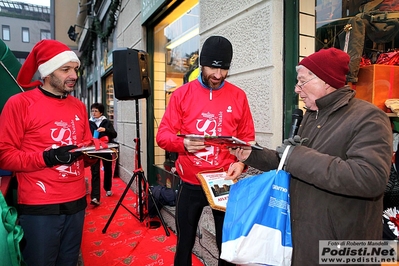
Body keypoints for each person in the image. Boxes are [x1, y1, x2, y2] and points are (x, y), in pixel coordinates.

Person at [230, 48, 393, 265]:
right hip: (304, 239)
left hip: (343, 248)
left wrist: (296, 156)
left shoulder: (370, 117)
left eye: (302, 82)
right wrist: (251, 154)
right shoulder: (312, 115)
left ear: (325, 81)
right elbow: (291, 162)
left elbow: (369, 178)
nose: (297, 89)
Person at [156, 35, 256, 266]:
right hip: (190, 182)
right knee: (185, 243)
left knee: (226, 245)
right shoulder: (182, 94)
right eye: (212, 68)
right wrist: (183, 144)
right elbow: (163, 136)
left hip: (223, 182)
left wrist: (241, 164)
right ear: (202, 63)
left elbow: (246, 139)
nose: (218, 75)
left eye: (224, 70)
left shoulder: (238, 96)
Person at [0, 39, 93, 266]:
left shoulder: (79, 105)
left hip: (77, 202)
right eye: (66, 69)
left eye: (75, 69)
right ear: (47, 72)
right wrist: (48, 157)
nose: (74, 75)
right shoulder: (19, 103)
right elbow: (5, 155)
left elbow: (85, 145)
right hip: (39, 206)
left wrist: (95, 151)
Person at [89, 102, 117, 206]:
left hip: (105, 149)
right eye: (92, 110)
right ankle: (95, 197)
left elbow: (114, 134)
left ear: (101, 112)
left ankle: (108, 188)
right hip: (94, 149)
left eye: (96, 111)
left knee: (108, 169)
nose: (93, 113)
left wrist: (105, 130)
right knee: (95, 172)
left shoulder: (106, 122)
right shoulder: (89, 122)